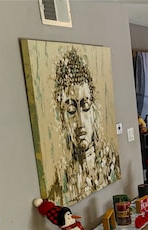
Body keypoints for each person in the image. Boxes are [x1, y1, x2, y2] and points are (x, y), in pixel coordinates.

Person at [48, 47, 120, 205]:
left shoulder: (112, 164)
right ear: (62, 118)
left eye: (85, 106)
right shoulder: (60, 187)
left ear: (94, 111)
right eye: (71, 111)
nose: (80, 122)